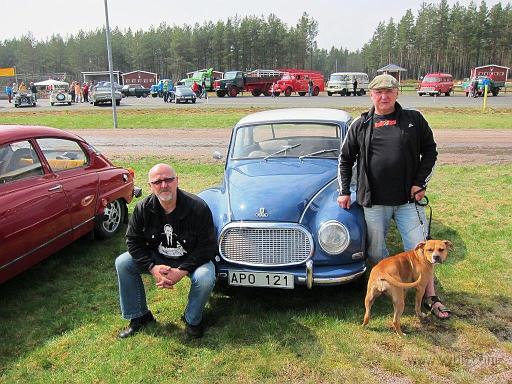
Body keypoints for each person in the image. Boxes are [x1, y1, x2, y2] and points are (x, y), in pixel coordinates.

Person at [337, 73, 450, 320]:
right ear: (371, 94)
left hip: (409, 202)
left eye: (389, 91)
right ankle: (390, 289)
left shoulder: (414, 120)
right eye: (379, 92)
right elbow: (345, 159)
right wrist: (344, 191)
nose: (384, 96)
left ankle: (431, 298)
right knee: (376, 251)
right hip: (374, 201)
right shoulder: (362, 123)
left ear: (397, 93)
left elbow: (430, 151)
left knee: (424, 252)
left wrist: (420, 183)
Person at [115, 163, 217, 339]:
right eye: (157, 182)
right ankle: (139, 317)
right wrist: (152, 267)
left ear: (177, 181)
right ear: (150, 186)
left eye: (168, 180)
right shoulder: (142, 209)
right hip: (158, 257)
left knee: (205, 277)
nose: (164, 185)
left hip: (191, 258)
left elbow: (208, 246)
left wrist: (181, 271)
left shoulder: (198, 208)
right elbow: (133, 241)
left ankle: (192, 319)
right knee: (123, 263)